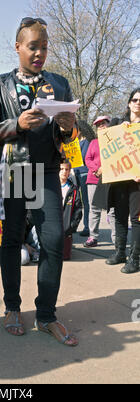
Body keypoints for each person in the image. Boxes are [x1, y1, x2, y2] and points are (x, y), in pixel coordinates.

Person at [0, 17, 79, 346]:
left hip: (48, 171)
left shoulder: (60, 83)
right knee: (10, 240)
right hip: (14, 171)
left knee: (52, 240)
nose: (39, 53)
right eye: (33, 47)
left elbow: (69, 138)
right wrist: (17, 124)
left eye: (45, 47)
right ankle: (12, 308)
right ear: (18, 47)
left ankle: (46, 315)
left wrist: (67, 127)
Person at [105, 88, 140, 273]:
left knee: (136, 219)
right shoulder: (117, 122)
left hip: (137, 182)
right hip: (119, 179)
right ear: (129, 103)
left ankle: (135, 258)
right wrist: (121, 129)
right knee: (119, 216)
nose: (138, 103)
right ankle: (119, 252)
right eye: (135, 99)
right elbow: (107, 143)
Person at [83, 116, 115, 247]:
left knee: (112, 210)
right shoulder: (93, 143)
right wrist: (97, 169)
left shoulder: (115, 141)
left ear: (110, 125)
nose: (101, 126)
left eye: (104, 123)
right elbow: (87, 159)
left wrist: (106, 168)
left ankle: (117, 239)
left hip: (111, 179)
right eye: (98, 125)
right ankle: (93, 237)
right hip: (93, 179)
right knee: (94, 209)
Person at [74, 121, 95, 237]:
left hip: (84, 174)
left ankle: (87, 227)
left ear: (80, 130)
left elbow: (83, 158)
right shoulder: (75, 142)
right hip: (75, 174)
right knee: (76, 202)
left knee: (87, 202)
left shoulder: (87, 142)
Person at [59, 160, 82, 260]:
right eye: (61, 169)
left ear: (69, 172)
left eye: (66, 169)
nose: (64, 171)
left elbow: (78, 211)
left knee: (64, 256)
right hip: (51, 227)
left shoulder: (74, 190)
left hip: (65, 230)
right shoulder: (50, 188)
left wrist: (71, 227)